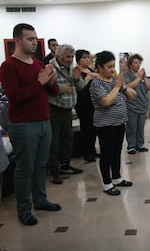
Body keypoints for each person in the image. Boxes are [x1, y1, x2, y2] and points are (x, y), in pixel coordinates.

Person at [0, 23, 61, 226]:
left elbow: (54, 93)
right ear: (17, 40)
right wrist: (40, 82)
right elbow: (15, 97)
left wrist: (51, 81)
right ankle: (24, 209)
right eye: (30, 39)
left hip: (44, 121)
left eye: (35, 38)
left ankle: (41, 200)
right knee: (25, 168)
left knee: (41, 166)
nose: (35, 42)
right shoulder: (9, 66)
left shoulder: (36, 63)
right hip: (24, 124)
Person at [89, 51, 136, 196]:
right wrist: (117, 87)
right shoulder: (96, 83)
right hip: (105, 125)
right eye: (109, 67)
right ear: (99, 67)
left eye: (113, 66)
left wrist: (123, 87)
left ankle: (116, 178)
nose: (112, 69)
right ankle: (107, 183)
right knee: (107, 154)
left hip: (119, 122)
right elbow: (106, 102)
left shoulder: (116, 81)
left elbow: (133, 96)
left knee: (116, 152)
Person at [48, 44, 85, 184]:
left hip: (68, 109)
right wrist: (64, 88)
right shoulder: (50, 68)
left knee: (67, 139)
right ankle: (53, 170)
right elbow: (46, 87)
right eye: (68, 57)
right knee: (54, 142)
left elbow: (81, 87)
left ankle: (65, 165)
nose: (70, 60)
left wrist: (76, 78)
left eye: (72, 57)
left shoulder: (72, 68)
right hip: (55, 109)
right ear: (59, 56)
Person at [122, 53, 150, 154]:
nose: (138, 65)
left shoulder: (142, 75)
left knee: (140, 127)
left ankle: (140, 144)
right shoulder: (126, 75)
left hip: (142, 104)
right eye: (135, 63)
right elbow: (128, 87)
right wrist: (139, 78)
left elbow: (149, 87)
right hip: (131, 105)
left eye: (139, 63)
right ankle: (131, 146)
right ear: (130, 64)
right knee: (131, 126)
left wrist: (144, 78)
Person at [74, 49, 99, 162]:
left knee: (93, 128)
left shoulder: (90, 69)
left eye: (88, 57)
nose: (88, 59)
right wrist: (88, 78)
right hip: (82, 103)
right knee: (86, 127)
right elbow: (79, 87)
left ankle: (92, 149)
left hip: (93, 102)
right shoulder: (76, 71)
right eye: (85, 57)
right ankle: (87, 152)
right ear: (79, 59)